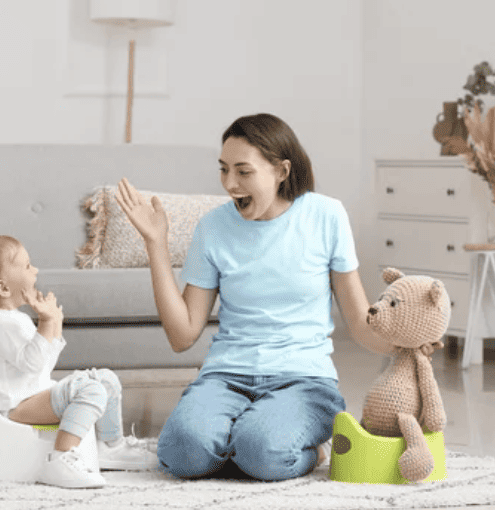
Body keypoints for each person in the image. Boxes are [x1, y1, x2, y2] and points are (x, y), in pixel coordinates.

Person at [114, 113, 391, 481]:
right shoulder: (213, 227)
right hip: (226, 376)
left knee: (264, 452)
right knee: (182, 453)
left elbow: (358, 320)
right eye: (224, 169)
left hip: (304, 379)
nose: (230, 184)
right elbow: (182, 336)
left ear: (282, 170)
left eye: (243, 172)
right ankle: (248, 440)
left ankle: (294, 447)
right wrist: (156, 245)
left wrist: (404, 346)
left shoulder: (326, 215)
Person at [0, 235, 158, 489]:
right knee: (91, 389)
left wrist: (54, 324)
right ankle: (62, 459)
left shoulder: (9, 320)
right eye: (27, 266)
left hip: (29, 397)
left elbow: (42, 365)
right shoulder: (0, 322)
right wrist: (46, 324)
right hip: (15, 407)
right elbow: (33, 364)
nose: (35, 270)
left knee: (105, 380)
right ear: (3, 288)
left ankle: (110, 446)